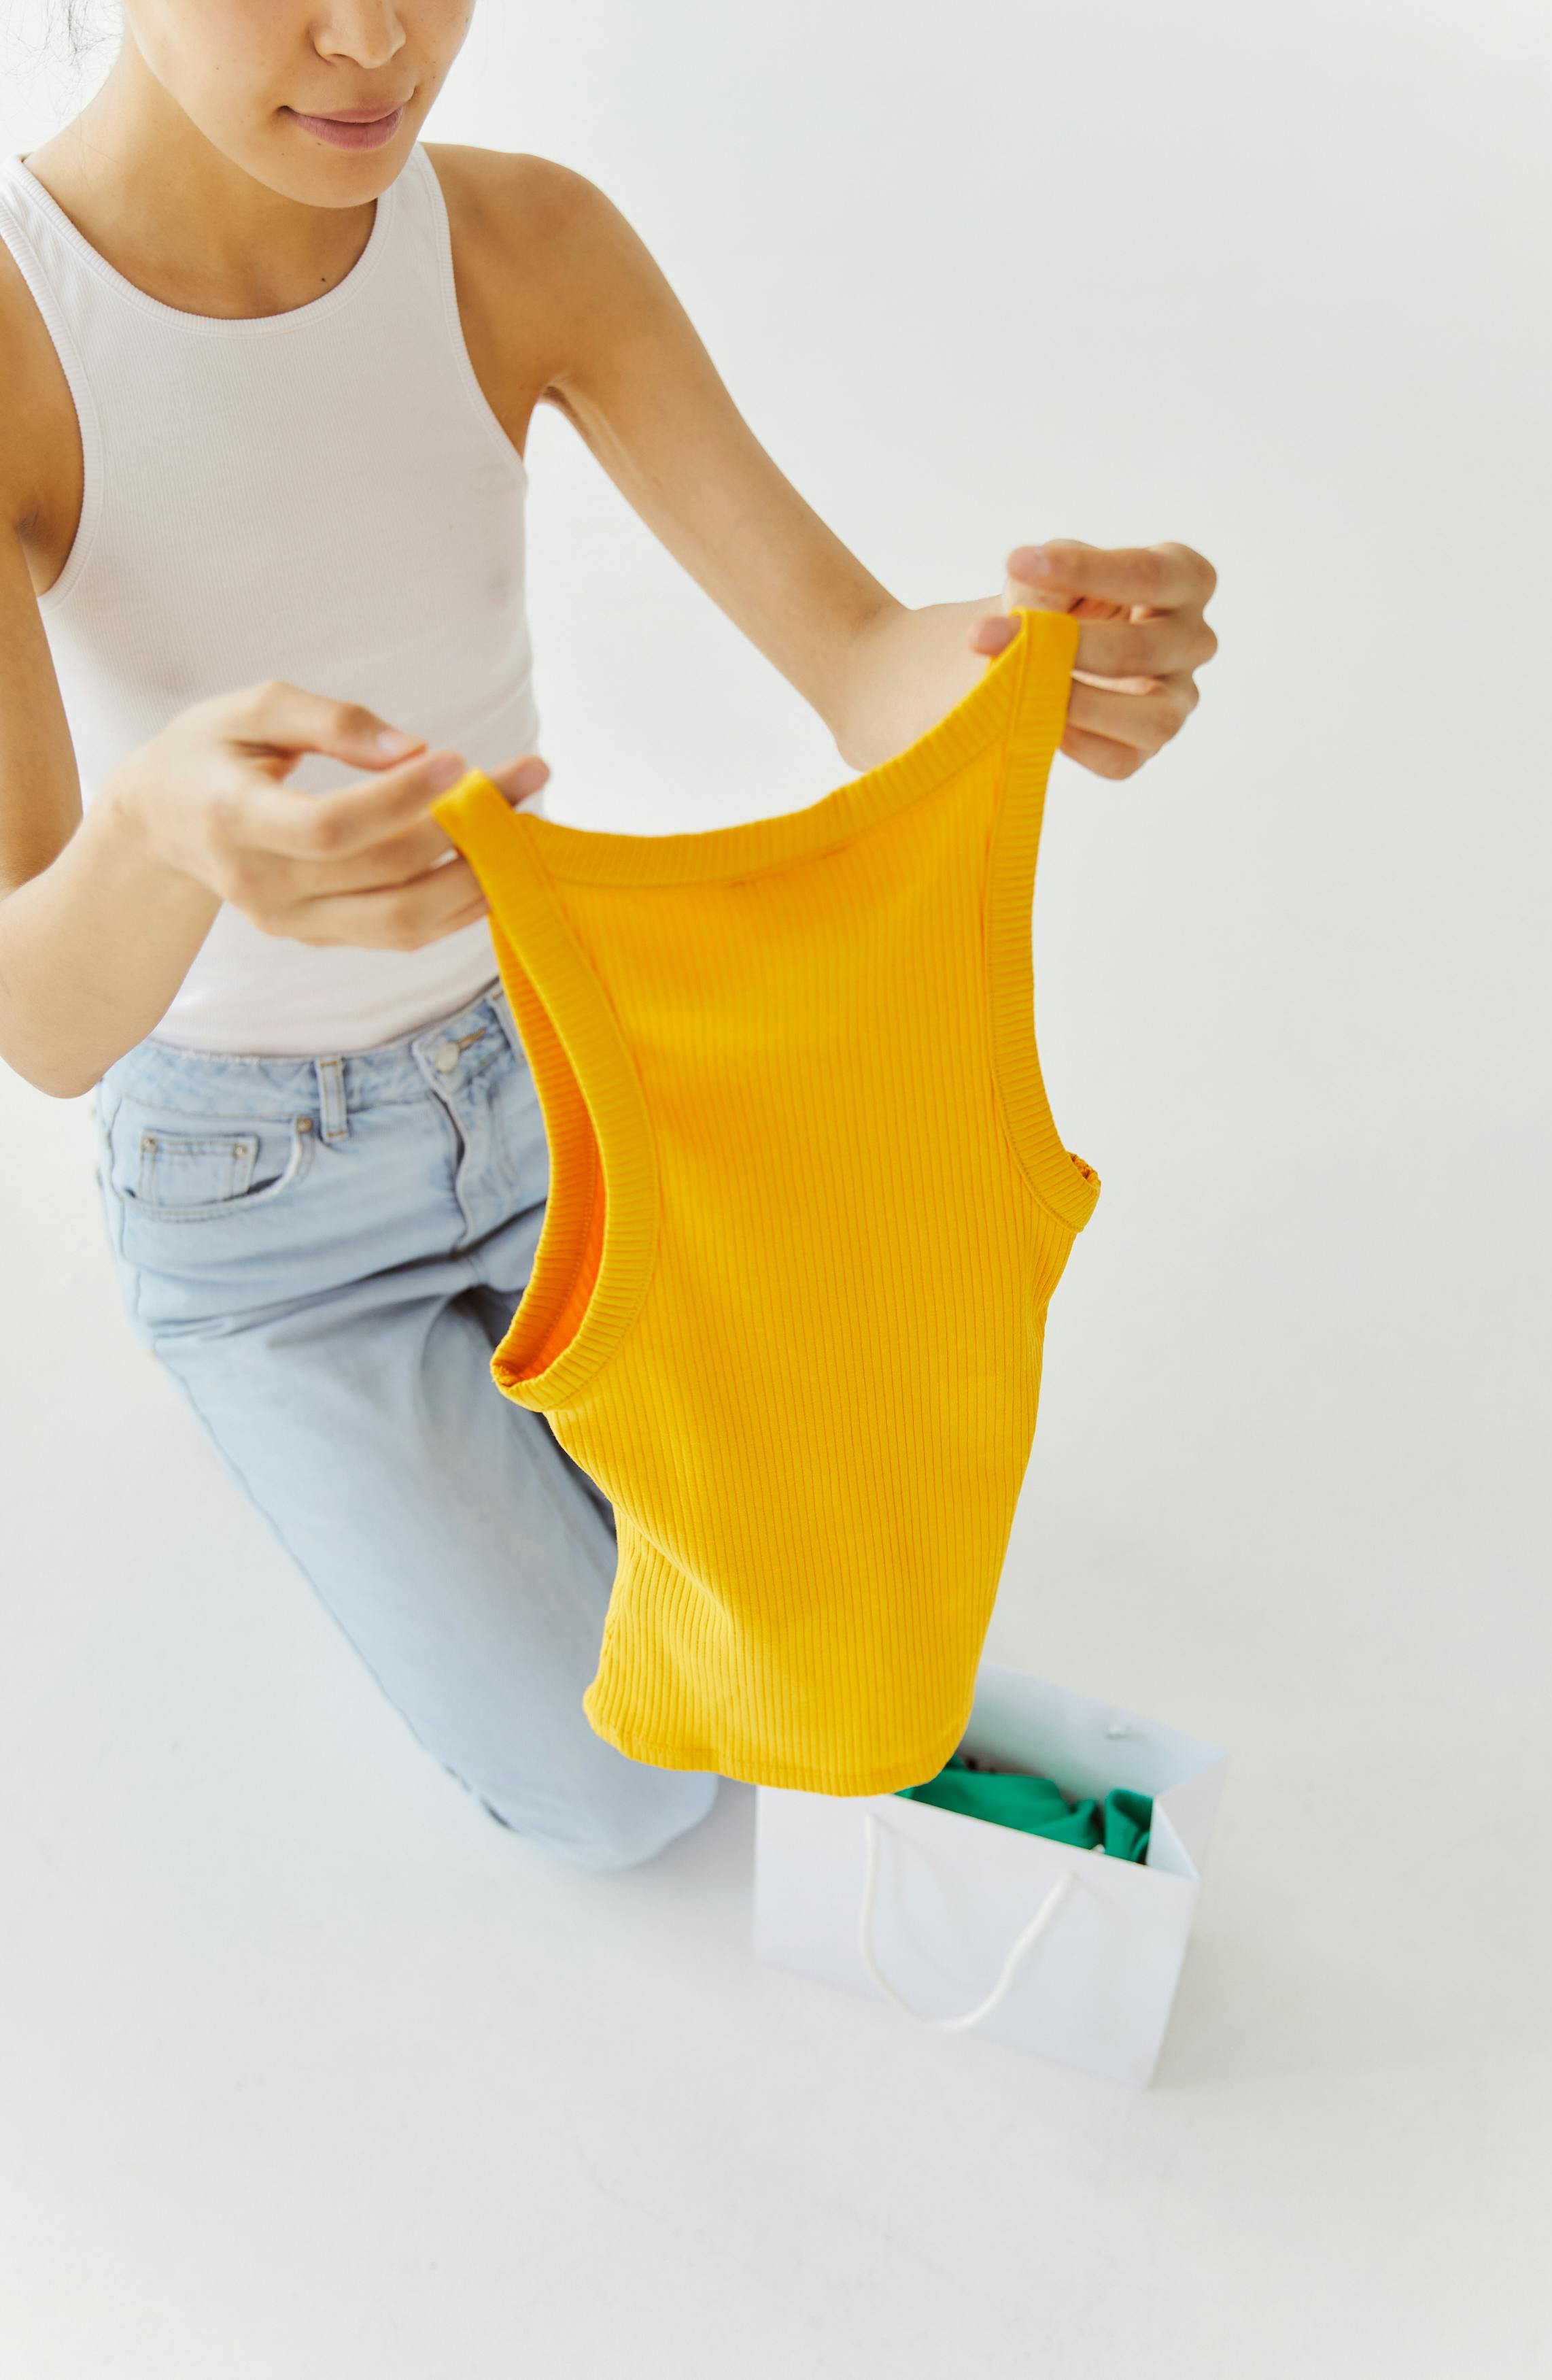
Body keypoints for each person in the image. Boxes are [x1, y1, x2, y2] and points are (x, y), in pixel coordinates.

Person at [0, 2, 1218, 1871]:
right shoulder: (26, 335)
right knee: (624, 1785)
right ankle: (283, 1410)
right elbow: (43, 1014)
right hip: (262, 1209)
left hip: (573, 1091)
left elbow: (857, 656)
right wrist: (170, 827)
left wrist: (1022, 674)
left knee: (818, 1608)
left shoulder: (521, 245)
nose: (372, 37)